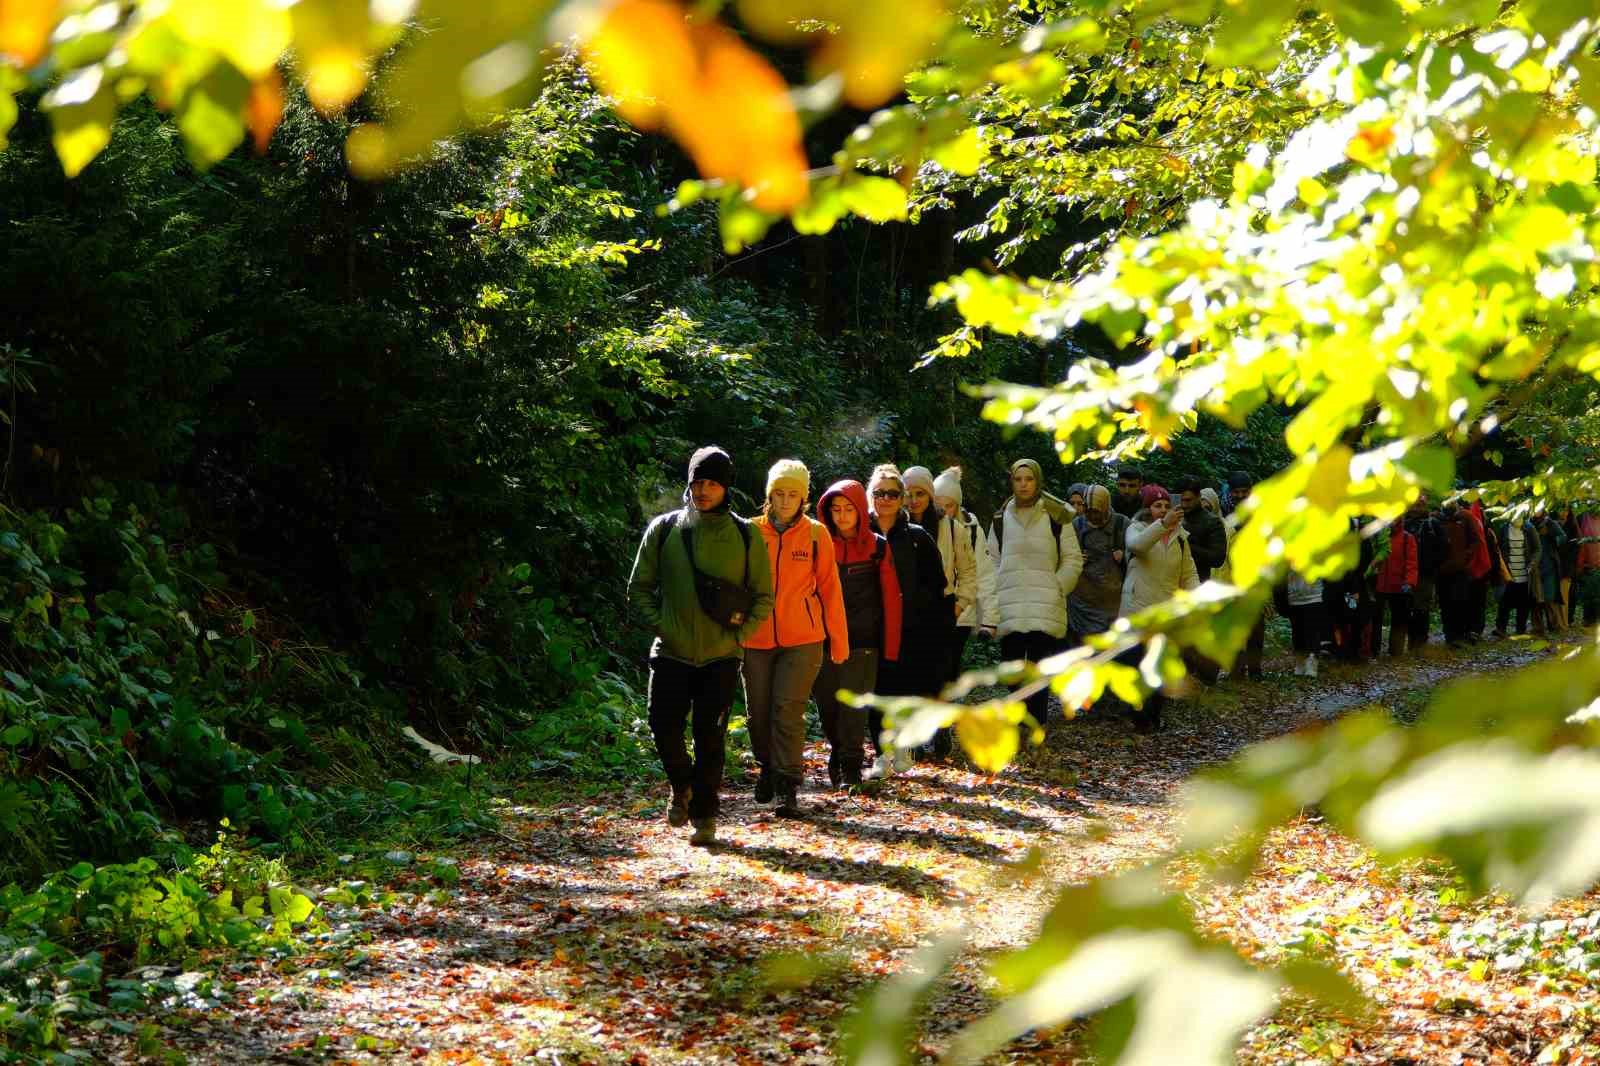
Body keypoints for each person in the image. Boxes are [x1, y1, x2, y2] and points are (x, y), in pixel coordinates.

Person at [627, 446, 774, 847]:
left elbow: (764, 596)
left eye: (712, 483)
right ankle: (681, 784)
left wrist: (739, 638)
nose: (704, 490)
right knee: (662, 727)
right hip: (671, 652)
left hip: (721, 657)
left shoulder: (746, 535)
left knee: (711, 738)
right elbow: (638, 588)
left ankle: (705, 816)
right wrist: (664, 627)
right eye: (698, 482)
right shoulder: (665, 529)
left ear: (726, 488)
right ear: (688, 484)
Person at [744, 460, 849, 816]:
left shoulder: (817, 534)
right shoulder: (749, 532)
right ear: (769, 494)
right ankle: (768, 769)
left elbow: (830, 590)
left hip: (803, 639)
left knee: (787, 710)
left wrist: (839, 641)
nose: (786, 500)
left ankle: (788, 784)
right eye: (780, 493)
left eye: (793, 494)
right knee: (758, 714)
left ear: (803, 498)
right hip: (755, 638)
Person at [980, 458, 1084, 732]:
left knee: (1039, 668)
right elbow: (991, 560)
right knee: (1011, 670)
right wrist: (994, 593)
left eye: (1029, 479)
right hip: (1010, 604)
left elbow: (1073, 558)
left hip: (1044, 605)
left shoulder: (1056, 515)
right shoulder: (1001, 518)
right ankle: (1018, 716)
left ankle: (1036, 725)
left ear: (1038, 481)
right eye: (1018, 479)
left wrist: (1058, 586)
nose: (1024, 484)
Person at [813, 480, 902, 787]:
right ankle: (838, 753)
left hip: (864, 641)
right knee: (827, 706)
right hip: (823, 640)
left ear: (860, 510)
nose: (842, 516)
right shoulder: (818, 543)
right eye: (835, 509)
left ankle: (850, 766)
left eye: (848, 509)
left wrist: (890, 648)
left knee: (853, 709)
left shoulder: (878, 546)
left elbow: (891, 598)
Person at [865, 464, 947, 777]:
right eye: (878, 493)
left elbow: (936, 585)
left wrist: (918, 615)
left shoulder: (917, 538)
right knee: (876, 692)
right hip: (871, 629)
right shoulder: (860, 536)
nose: (884, 499)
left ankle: (903, 745)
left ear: (902, 499)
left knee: (902, 690)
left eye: (891, 493)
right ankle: (881, 754)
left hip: (910, 631)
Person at [902, 464, 978, 758]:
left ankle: (940, 728)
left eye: (920, 493)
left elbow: (968, 572)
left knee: (939, 674)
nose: (914, 500)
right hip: (908, 609)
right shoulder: (896, 526)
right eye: (908, 494)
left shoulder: (951, 528)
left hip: (942, 608)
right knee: (911, 674)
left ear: (930, 495)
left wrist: (958, 605)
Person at [1120, 485, 1199, 729]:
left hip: (1165, 610)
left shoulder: (1181, 538)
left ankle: (1154, 715)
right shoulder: (1136, 528)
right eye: (1157, 506)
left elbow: (1189, 573)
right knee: (1138, 666)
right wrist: (1163, 524)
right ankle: (1141, 718)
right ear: (1147, 508)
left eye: (1166, 505)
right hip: (1138, 608)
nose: (1162, 510)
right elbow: (1138, 546)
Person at [933, 464, 996, 689]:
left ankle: (943, 721)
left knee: (948, 669)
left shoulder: (971, 530)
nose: (943, 511)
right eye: (937, 505)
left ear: (957, 505)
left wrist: (989, 619)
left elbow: (984, 574)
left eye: (948, 506)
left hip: (961, 612)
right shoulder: (925, 526)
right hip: (931, 611)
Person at [1069, 485, 1127, 643]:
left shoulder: (1121, 524)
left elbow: (1138, 556)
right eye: (1088, 511)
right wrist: (1075, 559)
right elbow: (1064, 558)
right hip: (1083, 604)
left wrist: (1124, 555)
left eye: (1096, 511)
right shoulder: (1076, 525)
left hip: (1113, 603)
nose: (1092, 516)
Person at [1225, 473, 1265, 680]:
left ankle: (1255, 669)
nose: (1240, 495)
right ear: (1230, 491)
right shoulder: (1224, 511)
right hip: (1229, 577)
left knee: (1256, 627)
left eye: (1244, 492)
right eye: (1236, 492)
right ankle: (1236, 670)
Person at [1437, 501, 1481, 647]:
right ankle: (1450, 636)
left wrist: (1466, 556)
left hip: (1461, 569)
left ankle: (1462, 634)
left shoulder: (1466, 517)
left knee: (1461, 601)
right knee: (1445, 603)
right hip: (1442, 570)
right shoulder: (1437, 518)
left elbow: (1476, 540)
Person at [1374, 516, 1420, 656]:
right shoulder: (1377, 538)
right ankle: (1373, 650)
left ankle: (1396, 651)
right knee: (1375, 619)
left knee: (1399, 619)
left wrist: (1409, 582)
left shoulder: (1407, 538)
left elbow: (1412, 563)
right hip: (1378, 585)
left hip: (1399, 586)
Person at [1404, 494, 1445, 651]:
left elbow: (1443, 547)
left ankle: (1421, 639)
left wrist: (1433, 565)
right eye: (1414, 505)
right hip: (1407, 573)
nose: (1416, 508)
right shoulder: (1404, 524)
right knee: (1408, 606)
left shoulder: (1432, 524)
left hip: (1425, 573)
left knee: (1422, 606)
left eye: (1420, 505)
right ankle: (1412, 638)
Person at [1492, 510, 1541, 638]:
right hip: (1509, 573)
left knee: (1523, 603)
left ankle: (1521, 629)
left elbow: (1537, 549)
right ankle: (1501, 629)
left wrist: (1533, 563)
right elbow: (1498, 549)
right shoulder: (1503, 529)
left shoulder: (1529, 529)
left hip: (1525, 573)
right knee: (1504, 602)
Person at [1175, 479, 1228, 583]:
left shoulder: (1212, 522)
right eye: (1181, 500)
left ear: (1199, 497)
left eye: (1188, 500)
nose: (1184, 505)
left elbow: (1217, 559)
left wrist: (1185, 544)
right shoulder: (1172, 517)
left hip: (1198, 582)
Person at [1282, 569, 1326, 677]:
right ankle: (1300, 662)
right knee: (1297, 632)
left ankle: (1312, 664)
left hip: (1315, 597)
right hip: (1294, 598)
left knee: (1313, 630)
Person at [1466, 499, 1496, 642]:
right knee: (1475, 601)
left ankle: (1476, 629)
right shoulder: (1473, 520)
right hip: (1473, 569)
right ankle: (1474, 629)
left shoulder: (1485, 527)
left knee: (1477, 601)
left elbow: (1492, 549)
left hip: (1479, 570)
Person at [1532, 511, 1566, 633]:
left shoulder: (1550, 523)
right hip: (1534, 566)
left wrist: (1550, 534)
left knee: (1550, 597)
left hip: (1549, 565)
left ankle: (1554, 625)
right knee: (1535, 598)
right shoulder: (1529, 523)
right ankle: (1538, 627)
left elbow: (1562, 537)